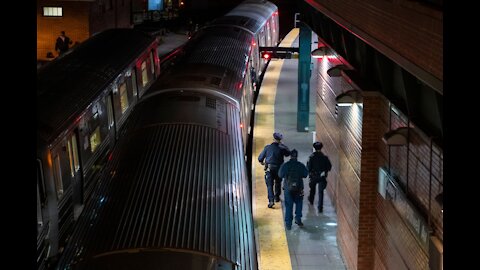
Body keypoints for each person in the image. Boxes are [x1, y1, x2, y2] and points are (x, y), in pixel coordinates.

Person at [258, 132, 291, 208]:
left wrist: (263, 163)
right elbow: (288, 153)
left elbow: (260, 158)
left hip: (269, 168)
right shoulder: (282, 148)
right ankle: (277, 197)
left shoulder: (267, 147)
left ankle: (271, 200)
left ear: (273, 139)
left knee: (269, 185)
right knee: (278, 182)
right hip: (279, 169)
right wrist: (283, 145)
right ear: (280, 140)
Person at [278, 149, 308, 230]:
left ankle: (288, 224)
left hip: (288, 189)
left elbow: (280, 175)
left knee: (288, 206)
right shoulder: (300, 165)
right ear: (297, 156)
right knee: (299, 204)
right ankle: (298, 219)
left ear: (290, 156)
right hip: (299, 188)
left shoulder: (285, 165)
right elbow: (305, 174)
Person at [307, 141, 332, 213]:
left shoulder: (311, 157)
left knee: (312, 190)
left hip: (313, 177)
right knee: (321, 192)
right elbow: (329, 167)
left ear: (314, 148)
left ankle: (311, 201)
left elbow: (308, 168)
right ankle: (320, 207)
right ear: (321, 148)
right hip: (322, 177)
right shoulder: (325, 157)